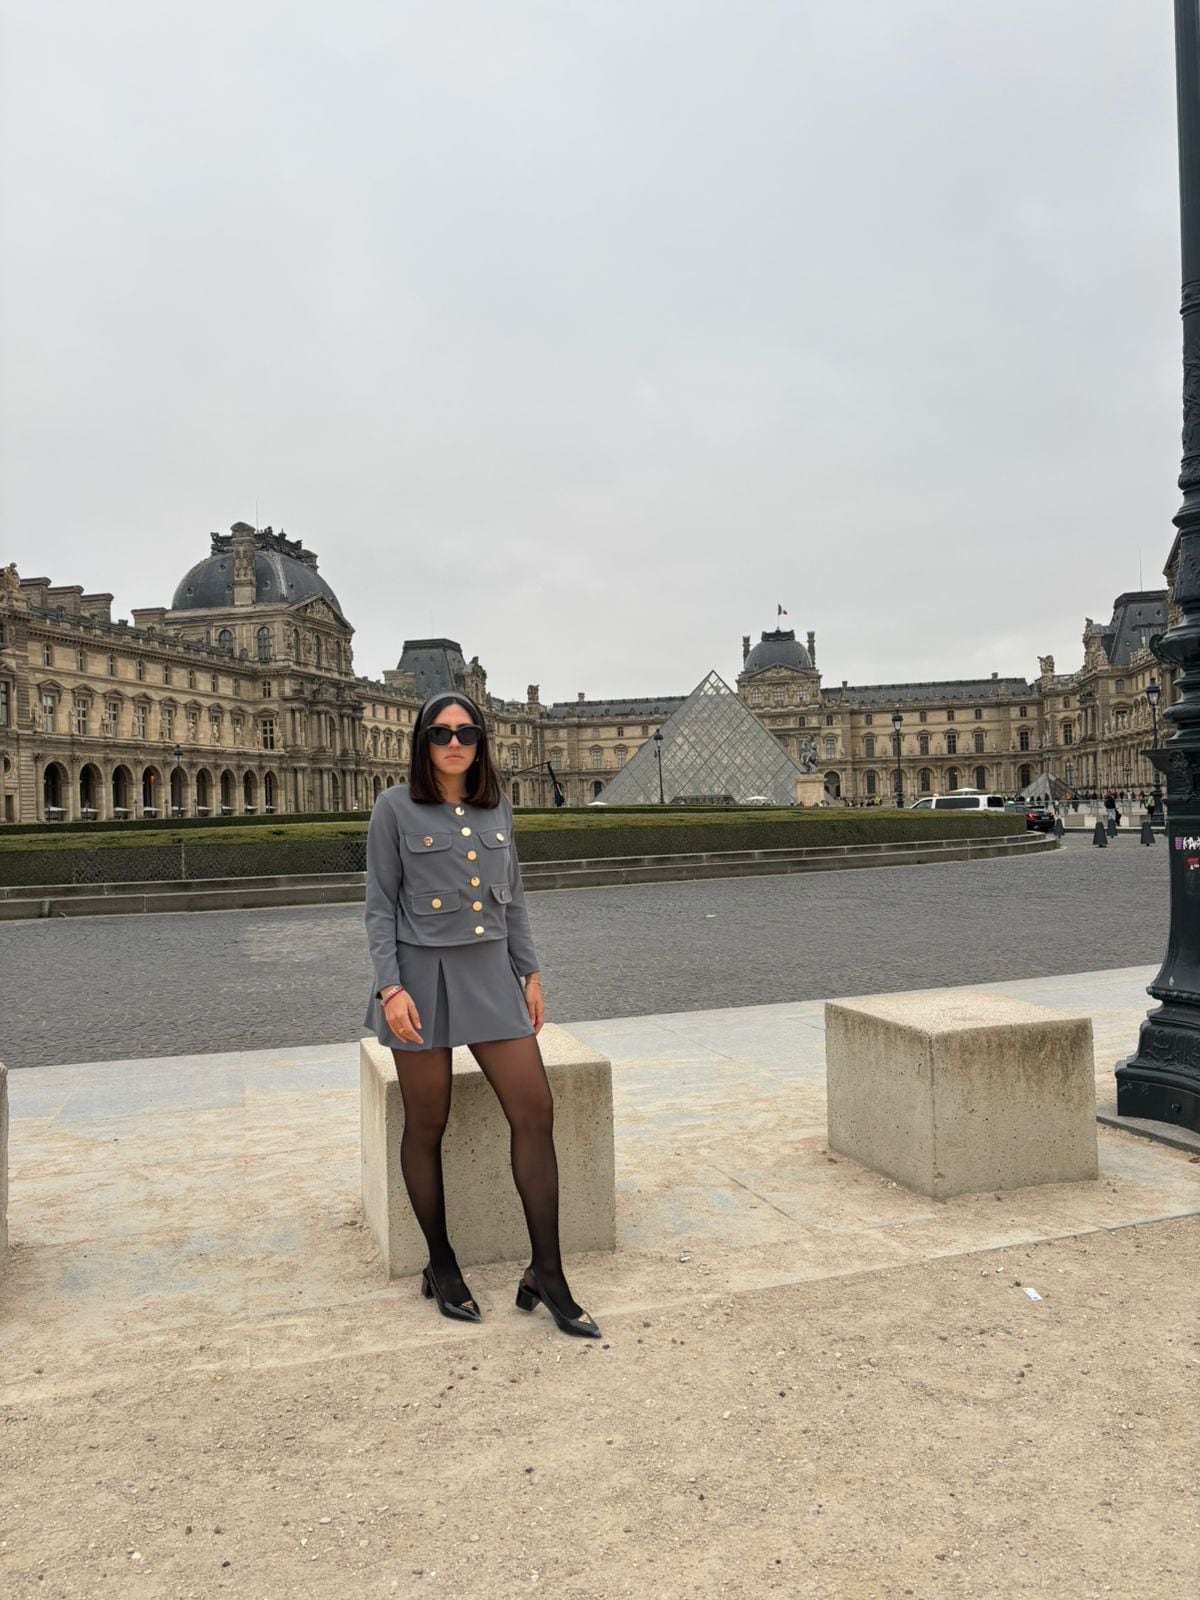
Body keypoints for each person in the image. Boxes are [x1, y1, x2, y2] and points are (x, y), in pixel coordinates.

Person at [363, 690, 601, 1339]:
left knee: (535, 1110)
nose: (454, 743)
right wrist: (390, 988)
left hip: (492, 974)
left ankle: (546, 1273)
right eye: (441, 733)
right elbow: (380, 909)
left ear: (480, 742)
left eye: (466, 732)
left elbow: (515, 899)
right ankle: (441, 1265)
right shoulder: (393, 808)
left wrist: (530, 971)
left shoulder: (498, 807)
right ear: (423, 742)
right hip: (421, 979)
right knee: (427, 1123)